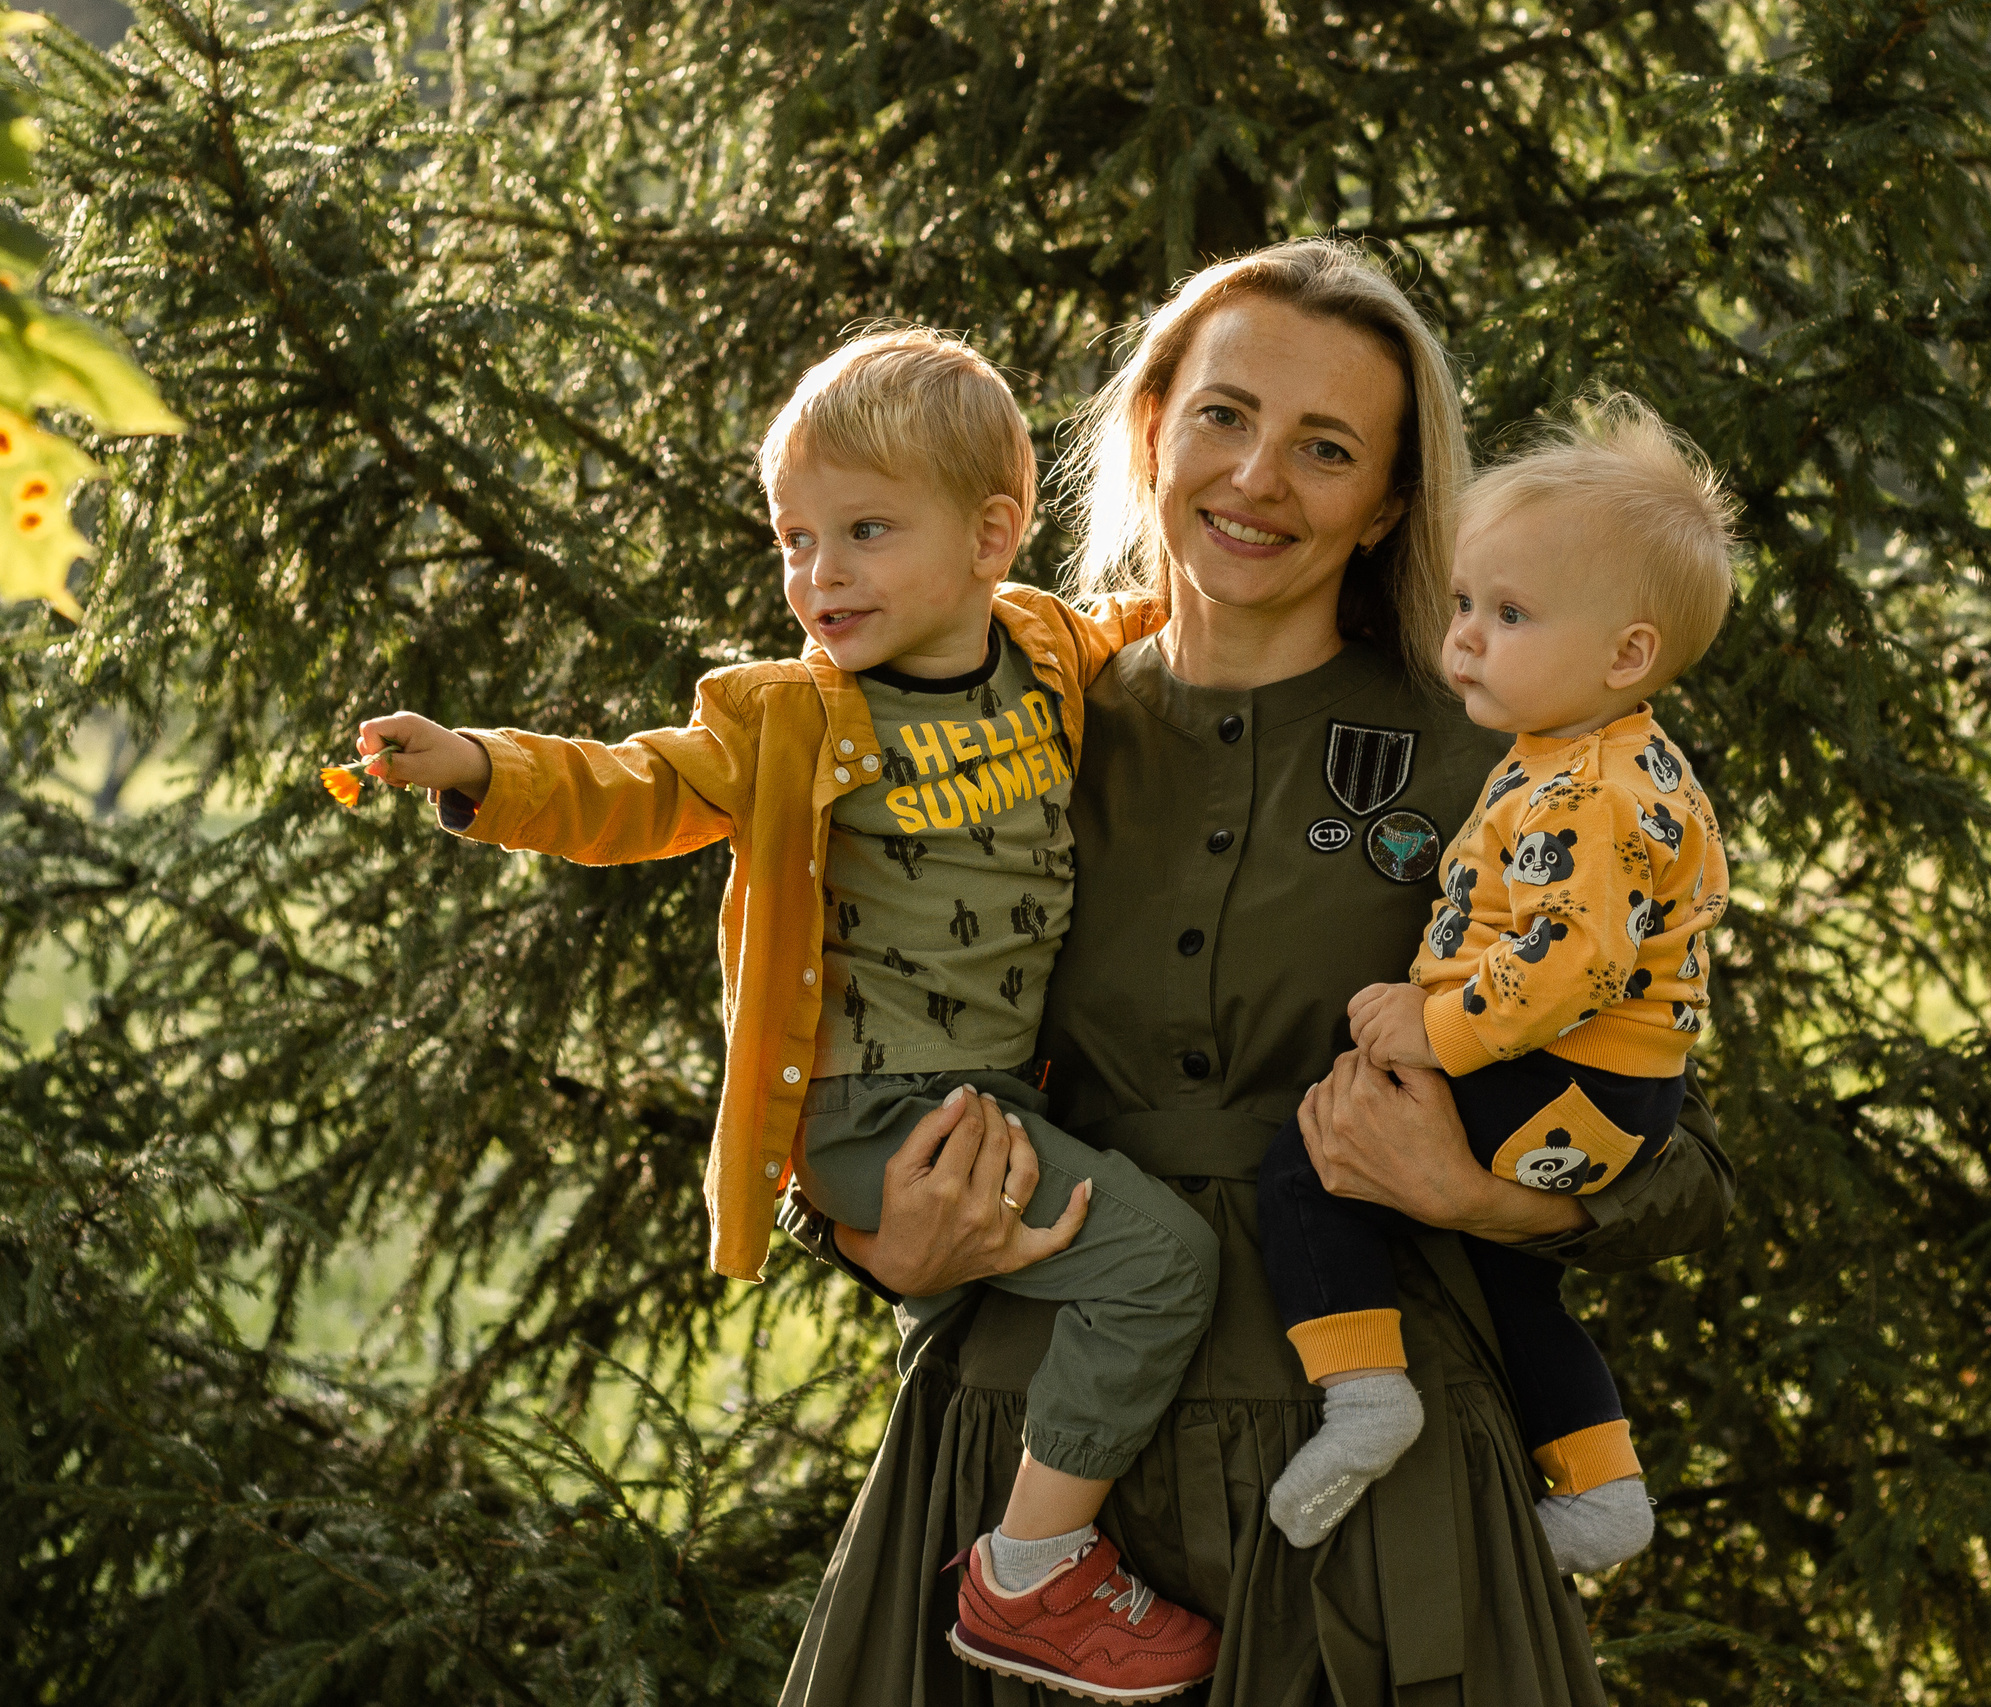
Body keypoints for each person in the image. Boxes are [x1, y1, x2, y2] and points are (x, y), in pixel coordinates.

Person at [781, 241, 1739, 1707]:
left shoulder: (1510, 752)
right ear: (1153, 426)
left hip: (1371, 1506)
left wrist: (1478, 1193)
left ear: (1392, 503)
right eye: (1224, 415)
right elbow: (850, 1033)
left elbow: (1679, 1163)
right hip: (1024, 1472)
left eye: (1329, 446)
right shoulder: (1003, 725)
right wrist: (871, 1238)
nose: (1259, 477)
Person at [351, 328, 1227, 1703]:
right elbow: (637, 786)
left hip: (1004, 1094)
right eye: (795, 537)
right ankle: (1031, 1565)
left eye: (866, 531)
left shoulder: (1049, 647)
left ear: (994, 532)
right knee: (1162, 1264)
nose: (819, 574)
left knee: (966, 1348)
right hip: (876, 1112)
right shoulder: (789, 717)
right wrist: (479, 766)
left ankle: (964, 1568)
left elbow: (1157, 619)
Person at [1256, 399, 1737, 1576]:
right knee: (1513, 1287)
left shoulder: (1595, 792)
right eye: (1464, 603)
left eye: (1509, 614)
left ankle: (1366, 1394)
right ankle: (1603, 1485)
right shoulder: (1585, 755)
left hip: (1566, 1072)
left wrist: (1434, 1032)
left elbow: (1569, 962)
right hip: (1604, 1087)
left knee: (1316, 1155)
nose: (1464, 637)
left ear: (1626, 654)